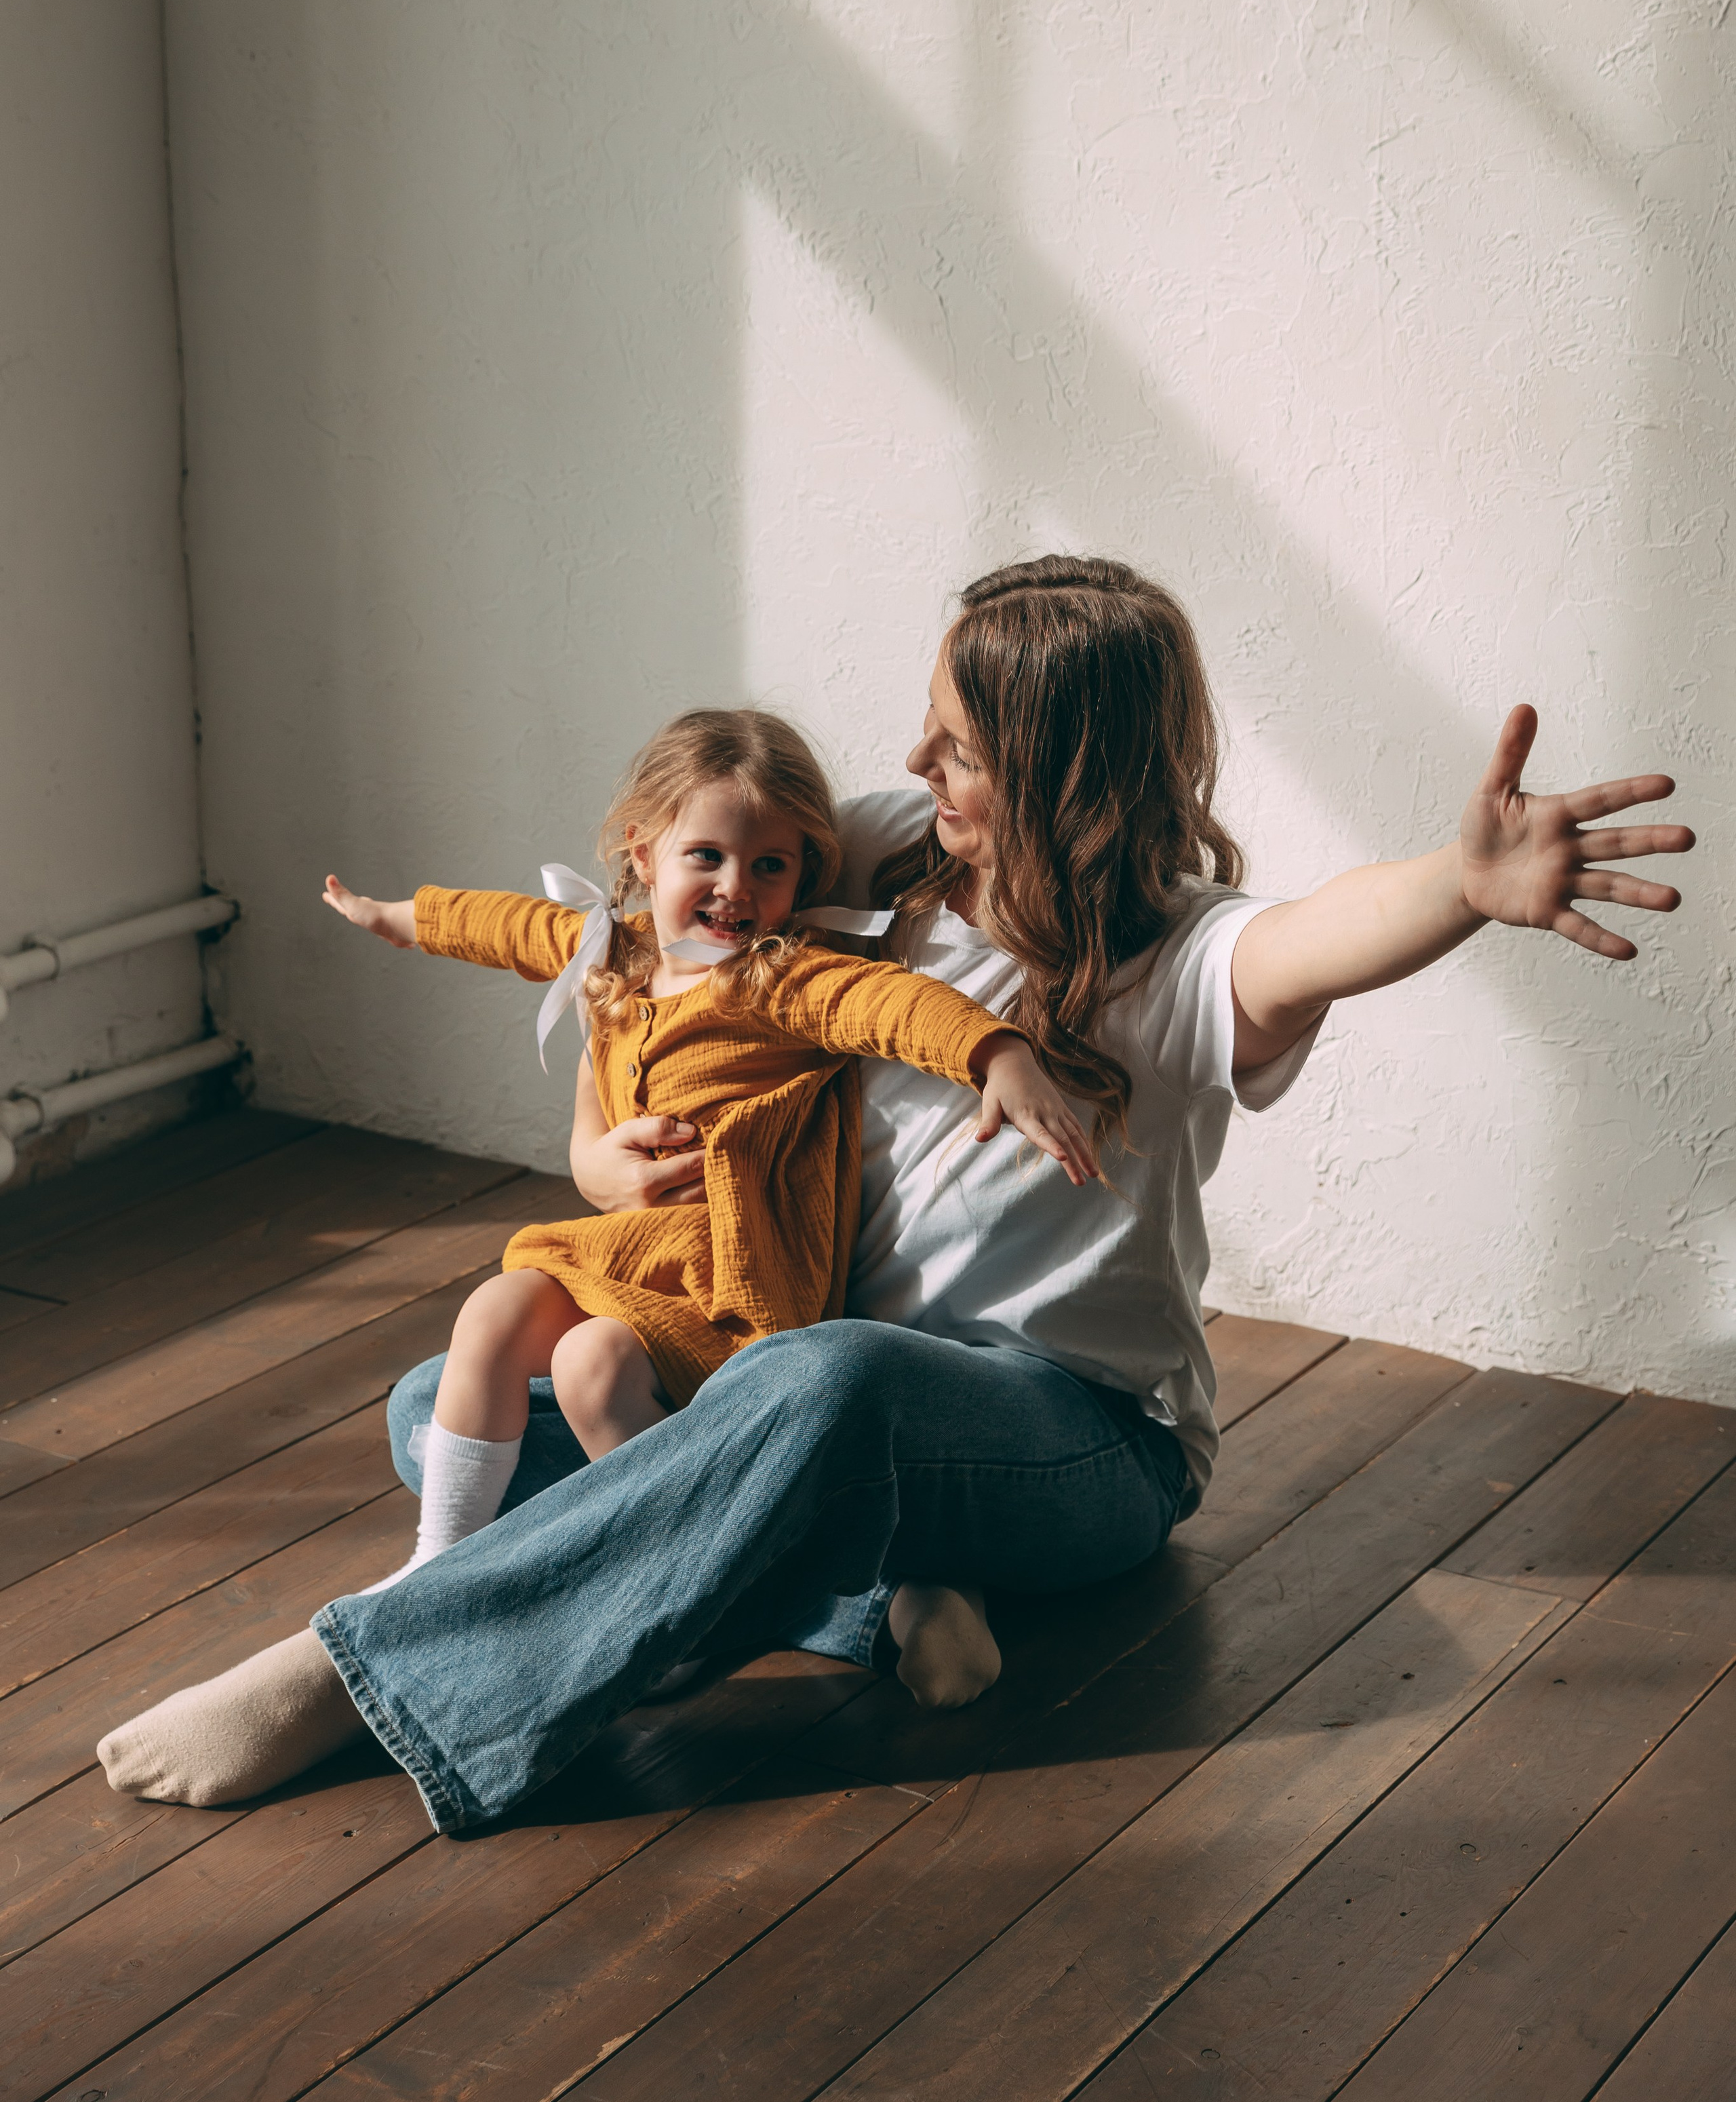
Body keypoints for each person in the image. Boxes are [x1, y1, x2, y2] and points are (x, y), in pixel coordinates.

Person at [96, 556, 1693, 1831]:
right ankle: (879, 1595)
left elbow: (1309, 938)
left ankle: (372, 1674)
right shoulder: (879, 857)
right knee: (443, 1404)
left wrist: (1458, 888)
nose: (915, 760)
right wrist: (596, 1152)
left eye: (958, 746)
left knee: (823, 1383)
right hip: (794, 1386)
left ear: (1060, 771)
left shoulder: (1174, 953)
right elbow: (636, 945)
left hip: (1075, 1446)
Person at [319, 705, 1094, 1592]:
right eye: (707, 857)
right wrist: (396, 916)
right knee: (499, 1317)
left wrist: (998, 1053)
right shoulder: (616, 953)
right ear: (645, 854)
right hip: (638, 1261)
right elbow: (512, 927)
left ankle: (688, 1578)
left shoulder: (781, 978)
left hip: (730, 1282)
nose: (736, 888)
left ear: (802, 874)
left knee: (585, 1365)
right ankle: (439, 1565)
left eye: (770, 866)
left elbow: (893, 1006)